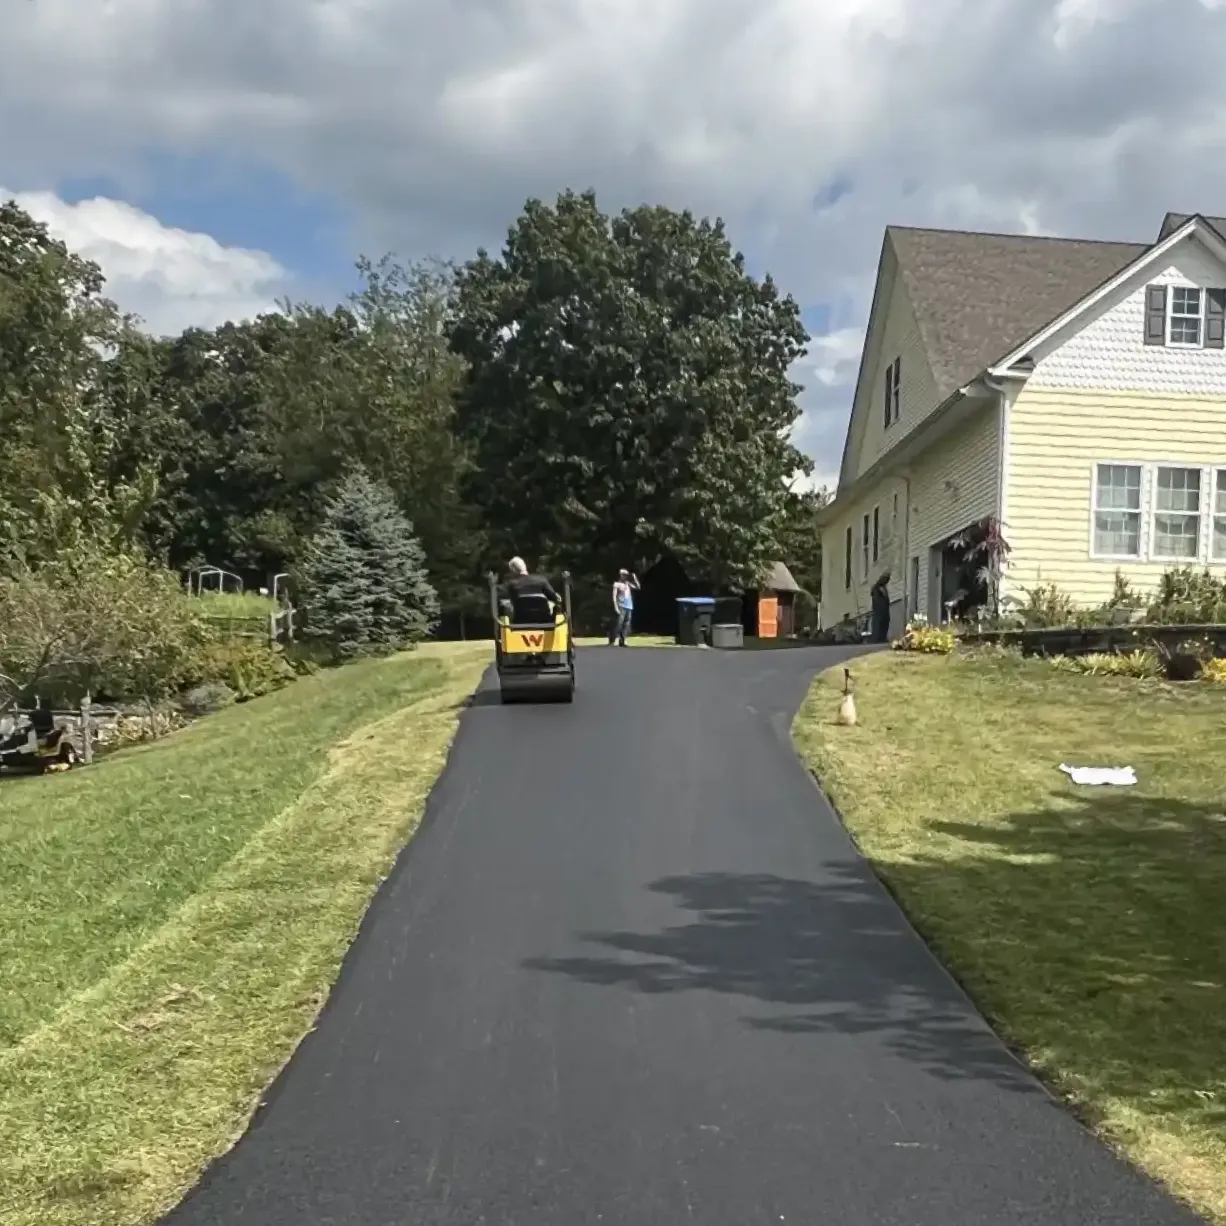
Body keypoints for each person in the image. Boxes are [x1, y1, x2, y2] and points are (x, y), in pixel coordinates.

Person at [609, 568, 639, 646]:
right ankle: (612, 640)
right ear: (620, 575)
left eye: (626, 575)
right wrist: (616, 606)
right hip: (621, 605)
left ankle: (622, 640)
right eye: (624, 575)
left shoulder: (628, 584)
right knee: (619, 623)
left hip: (629, 605)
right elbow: (614, 596)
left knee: (626, 624)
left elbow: (638, 587)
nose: (625, 577)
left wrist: (635, 578)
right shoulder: (617, 584)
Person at [870, 571, 892, 643]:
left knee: (885, 623)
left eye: (888, 579)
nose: (887, 581)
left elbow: (886, 599)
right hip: (878, 610)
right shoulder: (876, 588)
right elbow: (876, 599)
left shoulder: (884, 588)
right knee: (877, 624)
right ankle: (876, 638)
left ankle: (883, 637)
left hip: (885, 610)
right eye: (885, 579)